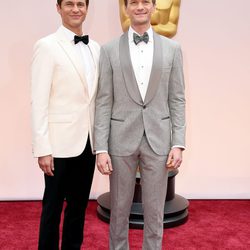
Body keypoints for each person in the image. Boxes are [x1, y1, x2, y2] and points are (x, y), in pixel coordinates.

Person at [94, 0, 185, 249]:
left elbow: (177, 99)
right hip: (120, 139)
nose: (140, 7)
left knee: (155, 211)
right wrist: (101, 148)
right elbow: (103, 101)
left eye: (145, 1)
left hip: (159, 140)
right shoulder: (109, 50)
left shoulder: (173, 49)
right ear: (126, 8)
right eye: (134, 2)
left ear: (154, 7)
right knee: (119, 210)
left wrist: (178, 143)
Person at [31, 0, 100, 249]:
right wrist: (43, 148)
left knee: (78, 209)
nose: (75, 9)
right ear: (58, 8)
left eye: (80, 4)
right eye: (69, 4)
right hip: (58, 145)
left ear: (86, 9)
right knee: (52, 208)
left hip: (88, 143)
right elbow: (38, 101)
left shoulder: (95, 48)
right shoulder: (47, 46)